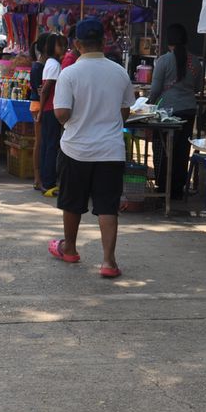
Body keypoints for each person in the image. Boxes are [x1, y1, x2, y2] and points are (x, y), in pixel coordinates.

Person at [49, 18, 135, 278]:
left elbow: (62, 113)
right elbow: (125, 110)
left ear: (77, 44)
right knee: (107, 206)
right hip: (110, 150)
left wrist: (75, 115)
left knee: (72, 202)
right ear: (104, 42)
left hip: (76, 148)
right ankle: (109, 262)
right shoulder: (119, 71)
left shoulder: (70, 73)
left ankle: (70, 249)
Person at [149, 24, 203, 200]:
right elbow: (198, 87)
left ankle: (163, 186)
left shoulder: (163, 61)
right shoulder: (195, 61)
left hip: (167, 113)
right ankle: (177, 189)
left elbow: (155, 89)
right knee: (182, 150)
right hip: (188, 109)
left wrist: (148, 103)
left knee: (164, 149)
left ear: (168, 41)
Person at [38, 31, 68, 197]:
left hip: (49, 109)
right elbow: (46, 89)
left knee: (47, 146)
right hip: (51, 110)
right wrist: (42, 111)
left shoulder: (51, 63)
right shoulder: (54, 65)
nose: (63, 48)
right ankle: (48, 182)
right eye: (59, 45)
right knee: (50, 146)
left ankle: (45, 180)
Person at [28, 35, 46, 190]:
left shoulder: (38, 66)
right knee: (39, 142)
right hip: (38, 105)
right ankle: (37, 177)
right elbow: (40, 91)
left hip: (38, 104)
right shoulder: (38, 67)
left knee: (40, 142)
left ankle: (39, 177)